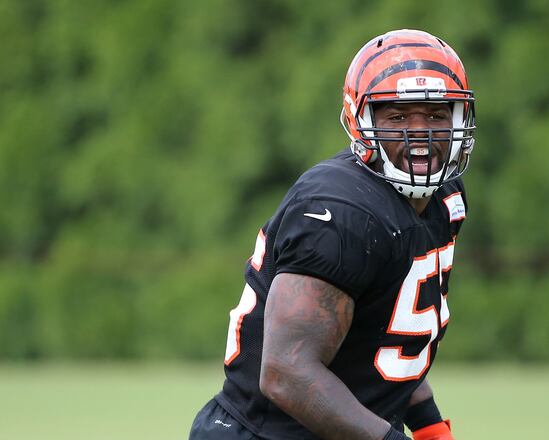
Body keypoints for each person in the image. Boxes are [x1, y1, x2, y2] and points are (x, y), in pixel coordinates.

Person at [189, 28, 476, 440]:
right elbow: (287, 372)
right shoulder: (341, 211)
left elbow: (387, 338)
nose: (420, 133)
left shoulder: (445, 195)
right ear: (360, 120)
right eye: (397, 116)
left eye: (435, 115)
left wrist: (430, 425)